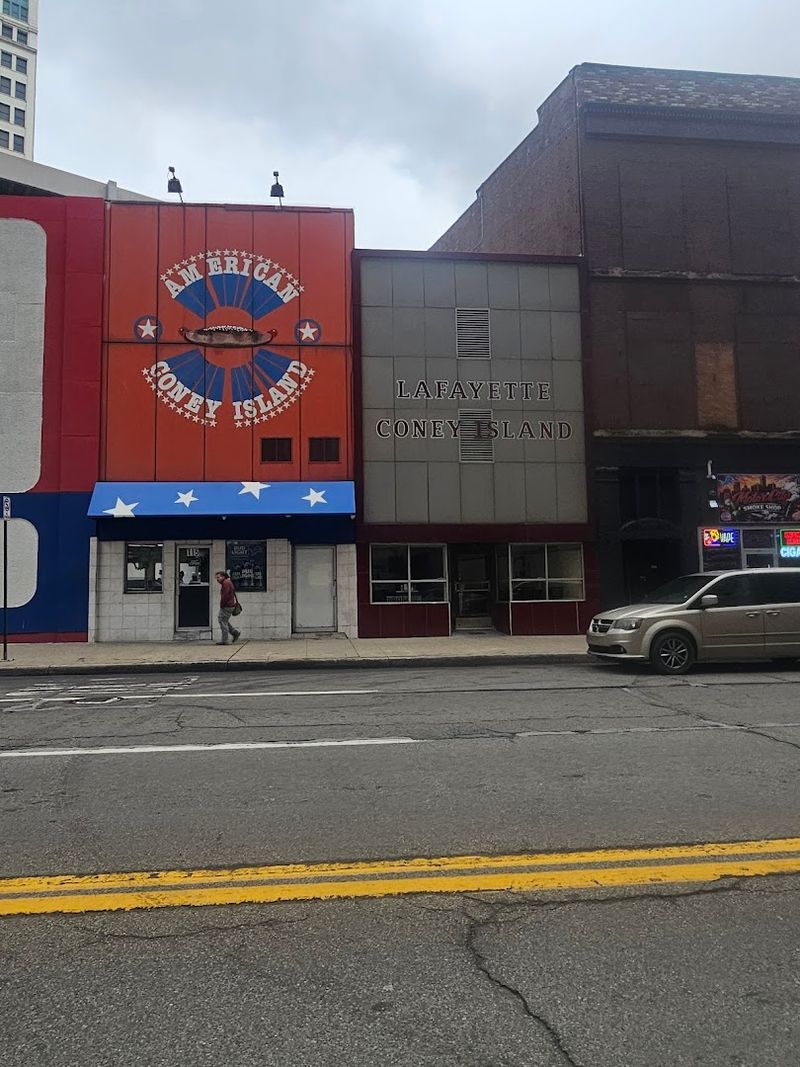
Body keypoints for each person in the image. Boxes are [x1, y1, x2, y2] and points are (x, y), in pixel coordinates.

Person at [215, 570, 241, 645]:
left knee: (222, 621)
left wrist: (222, 604)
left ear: (223, 576)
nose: (217, 579)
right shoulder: (228, 582)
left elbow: (225, 596)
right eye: (216, 577)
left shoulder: (225, 583)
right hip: (230, 605)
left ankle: (225, 640)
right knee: (224, 621)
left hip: (227, 605)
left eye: (218, 577)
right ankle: (235, 632)